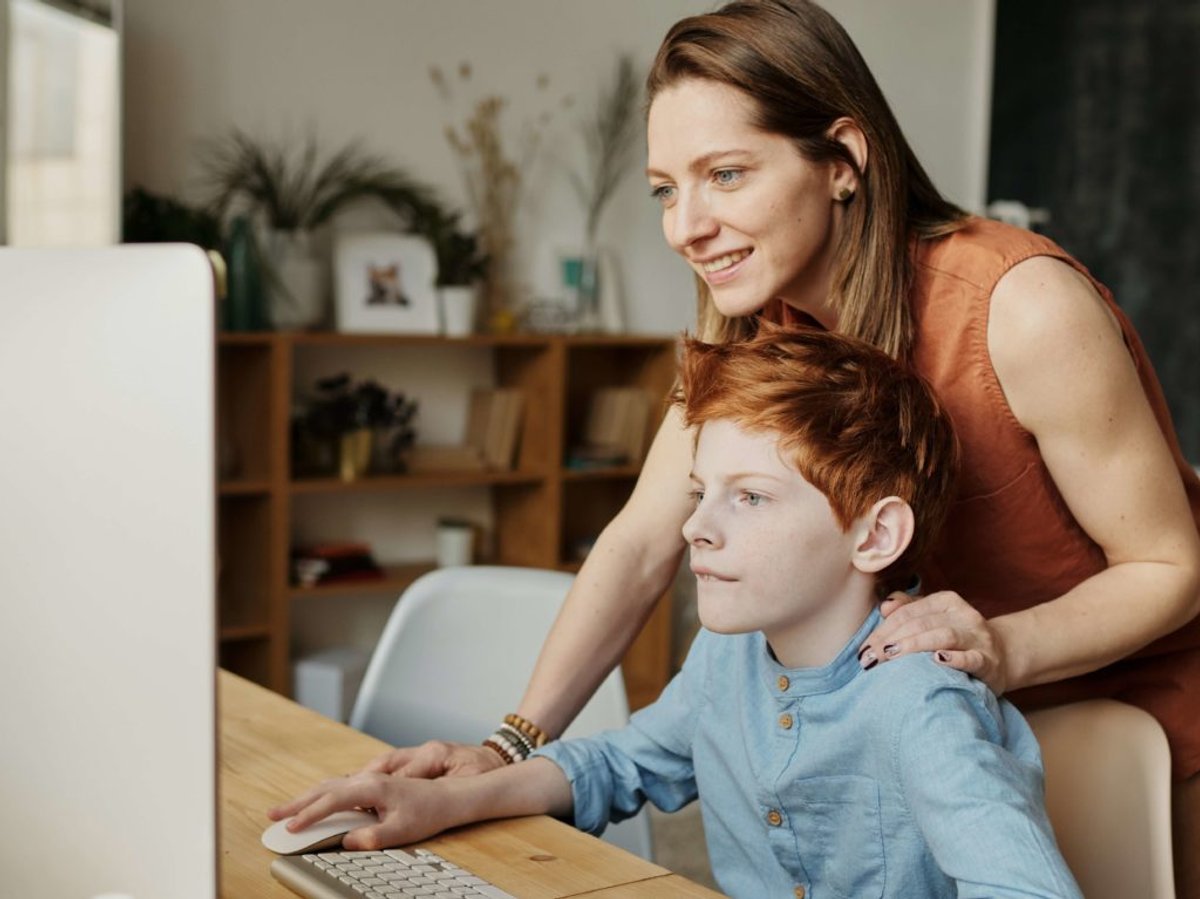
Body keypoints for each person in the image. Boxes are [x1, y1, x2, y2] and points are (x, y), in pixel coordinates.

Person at [357, 1, 1200, 891]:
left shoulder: (1022, 307)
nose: (685, 226)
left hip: (1128, 717)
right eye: (666, 189)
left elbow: (1171, 565)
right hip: (928, 716)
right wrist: (507, 745)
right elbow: (644, 539)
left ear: (843, 160)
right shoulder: (750, 336)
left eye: (724, 174)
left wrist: (1000, 645)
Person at [271, 327, 1083, 898]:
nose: (696, 524)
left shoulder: (919, 701)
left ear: (875, 535)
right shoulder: (726, 658)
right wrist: (448, 800)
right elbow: (620, 765)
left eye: (751, 497)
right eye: (701, 493)